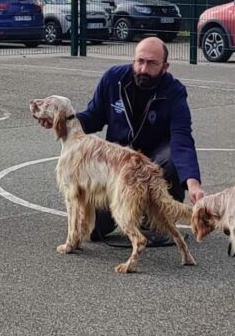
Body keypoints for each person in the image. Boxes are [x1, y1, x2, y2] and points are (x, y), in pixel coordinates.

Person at [75, 37, 206, 246]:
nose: (144, 69)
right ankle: (121, 212)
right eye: (140, 61)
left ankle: (156, 222)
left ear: (165, 66)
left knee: (171, 157)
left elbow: (182, 139)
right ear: (133, 60)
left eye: (152, 63)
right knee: (94, 231)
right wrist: (65, 120)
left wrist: (193, 184)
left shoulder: (174, 92)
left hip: (154, 163)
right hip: (117, 168)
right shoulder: (113, 79)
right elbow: (93, 117)